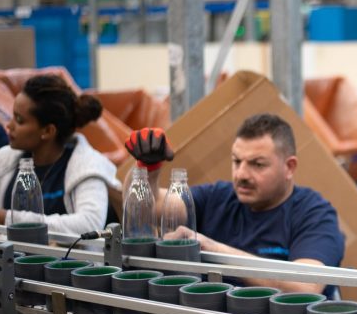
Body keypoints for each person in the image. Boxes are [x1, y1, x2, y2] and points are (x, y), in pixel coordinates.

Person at [124, 113, 345, 298]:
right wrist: (147, 168)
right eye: (237, 161)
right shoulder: (217, 197)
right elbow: (150, 207)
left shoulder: (314, 214)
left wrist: (212, 248)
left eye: (257, 164)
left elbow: (305, 288)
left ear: (289, 167)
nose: (241, 175)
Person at [0, 74, 118, 234]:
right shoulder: (5, 159)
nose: (9, 125)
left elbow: (90, 223)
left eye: (19, 120)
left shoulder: (88, 166)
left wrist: (6, 218)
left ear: (48, 131)